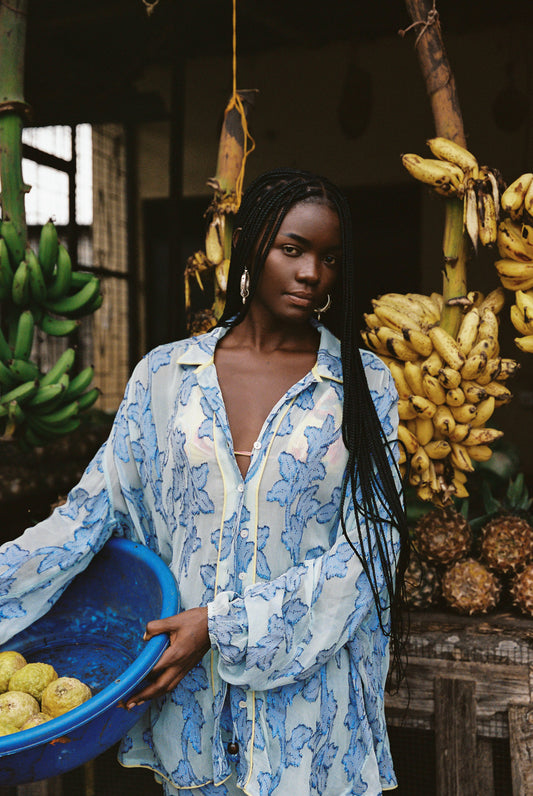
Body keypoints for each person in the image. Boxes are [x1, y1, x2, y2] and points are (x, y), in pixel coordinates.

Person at [0, 168, 409, 795]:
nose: (311, 274)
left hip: (310, 715)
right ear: (249, 246)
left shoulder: (363, 386)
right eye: (292, 249)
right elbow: (87, 515)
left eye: (329, 258)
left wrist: (219, 625)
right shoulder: (165, 378)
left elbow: (368, 555)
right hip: (194, 711)